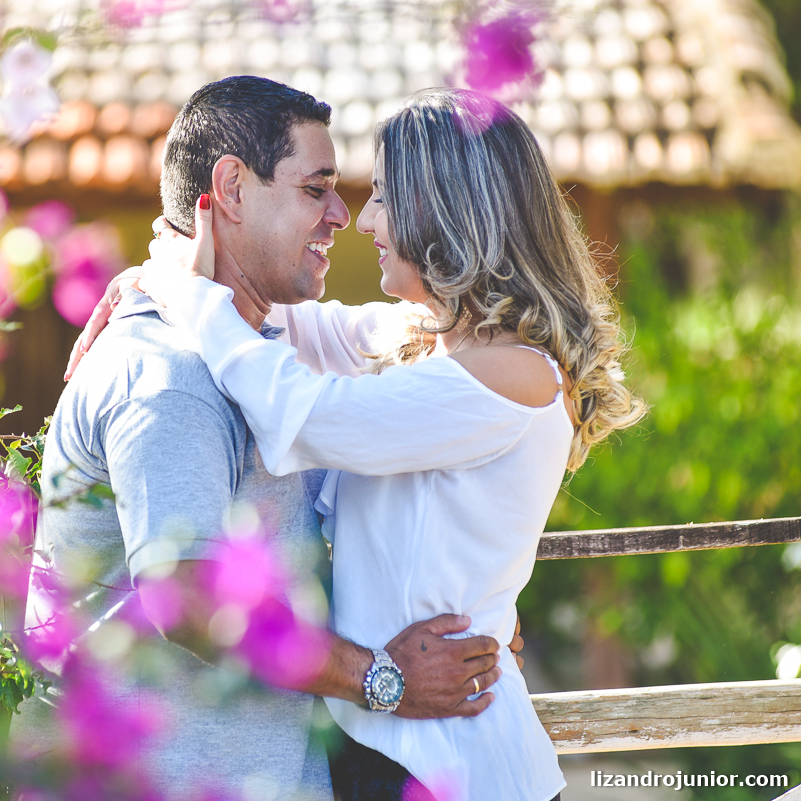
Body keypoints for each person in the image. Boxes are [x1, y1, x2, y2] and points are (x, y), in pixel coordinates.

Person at [133, 87, 647, 800]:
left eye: (382, 195)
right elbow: (284, 324)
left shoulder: (513, 373)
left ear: (446, 210)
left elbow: (303, 410)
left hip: (452, 765)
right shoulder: (429, 339)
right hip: (395, 749)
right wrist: (156, 274)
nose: (364, 218)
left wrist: (185, 295)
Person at [11, 77, 511, 801]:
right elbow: (187, 597)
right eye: (316, 188)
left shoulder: (256, 351)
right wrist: (384, 676)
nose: (343, 214)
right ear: (233, 190)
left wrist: (482, 613)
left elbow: (426, 341)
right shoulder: (171, 376)